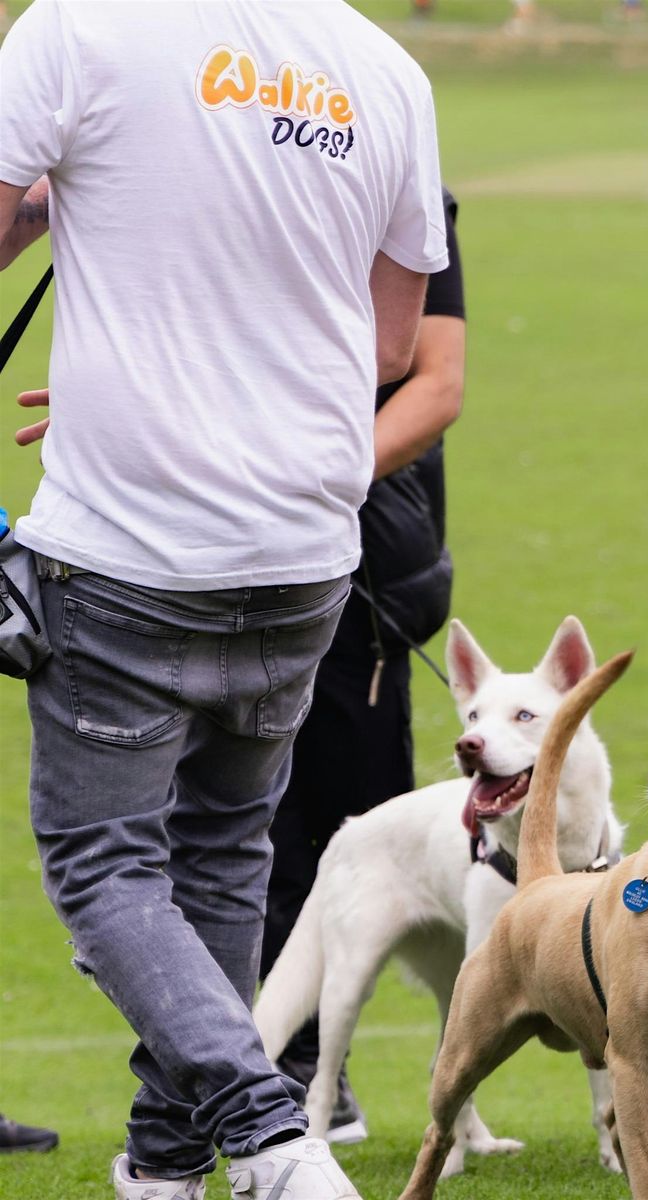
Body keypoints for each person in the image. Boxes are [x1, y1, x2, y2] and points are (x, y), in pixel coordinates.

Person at [0, 3, 447, 1198]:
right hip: (305, 547)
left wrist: (56, 206)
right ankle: (161, 1172)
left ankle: (272, 1137)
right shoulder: (385, 66)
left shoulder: (78, 29)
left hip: (131, 550)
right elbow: (394, 338)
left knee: (103, 867)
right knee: (218, 861)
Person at [260, 187, 466, 1143]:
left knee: (342, 829)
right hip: (207, 547)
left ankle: (306, 1083)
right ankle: (236, 1075)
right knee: (221, 833)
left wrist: (311, 488)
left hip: (360, 567)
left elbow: (431, 379)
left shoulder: (403, 184)